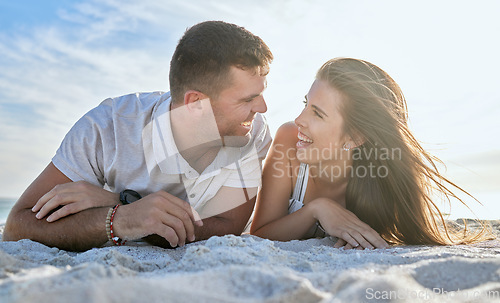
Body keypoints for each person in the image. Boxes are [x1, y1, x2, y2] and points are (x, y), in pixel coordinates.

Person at [3, 21, 273, 251]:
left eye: (260, 94)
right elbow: (17, 227)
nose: (262, 108)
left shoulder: (251, 130)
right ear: (194, 103)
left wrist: (120, 202)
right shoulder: (107, 129)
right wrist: (120, 220)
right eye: (248, 99)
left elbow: (228, 227)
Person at [251, 57, 489, 248]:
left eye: (318, 113)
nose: (299, 120)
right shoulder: (288, 140)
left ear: (355, 137)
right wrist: (317, 209)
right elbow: (260, 235)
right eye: (305, 104)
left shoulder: (380, 179)